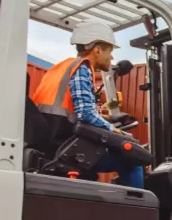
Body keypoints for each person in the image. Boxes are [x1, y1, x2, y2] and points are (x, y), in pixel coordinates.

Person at [30, 20, 145, 189]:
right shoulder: (82, 68)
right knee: (134, 160)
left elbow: (70, 109)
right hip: (65, 148)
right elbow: (85, 114)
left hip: (51, 142)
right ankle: (139, 212)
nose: (111, 57)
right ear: (97, 50)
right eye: (109, 51)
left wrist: (107, 117)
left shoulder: (59, 68)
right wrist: (113, 129)